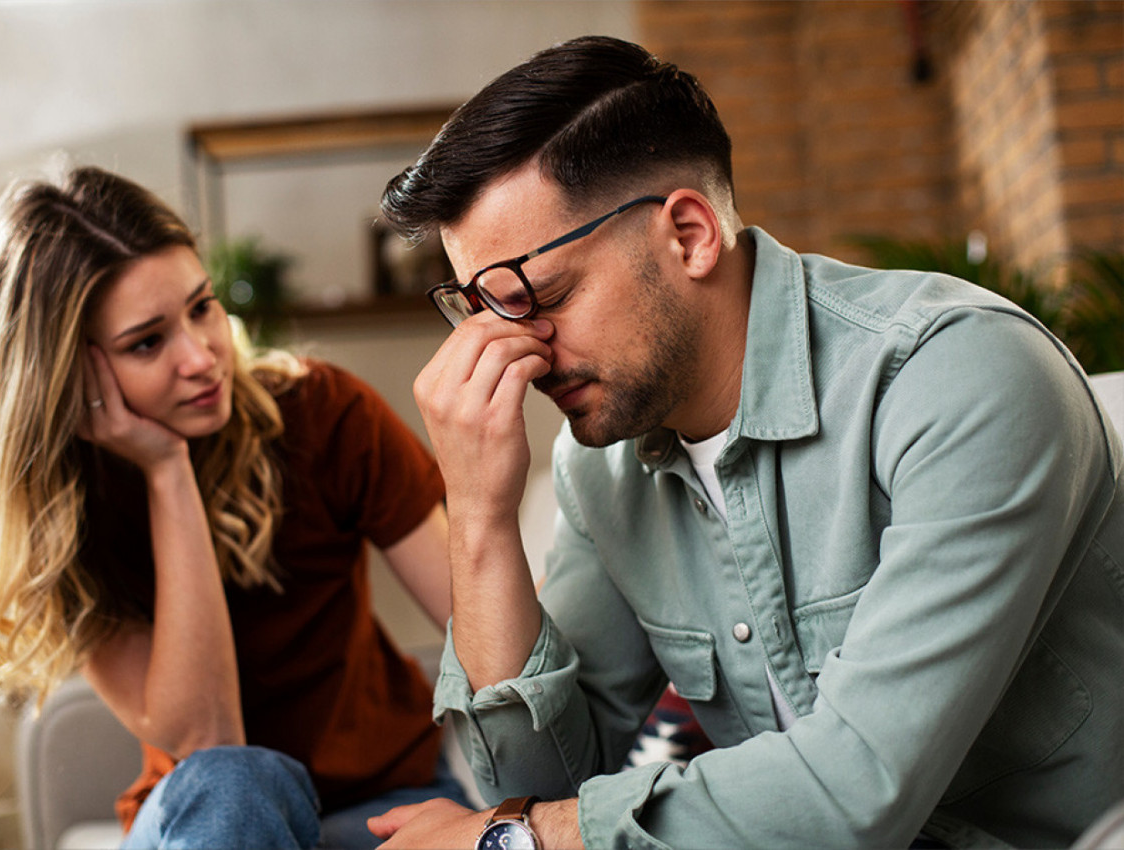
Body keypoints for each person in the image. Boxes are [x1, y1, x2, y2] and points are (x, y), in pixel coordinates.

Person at [367, 35, 1124, 849]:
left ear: (688, 234)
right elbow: (534, 788)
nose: (523, 352)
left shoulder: (958, 376)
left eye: (543, 296)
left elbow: (854, 792)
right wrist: (479, 517)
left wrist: (518, 840)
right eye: (484, 313)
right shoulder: (603, 467)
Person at [0, 165, 469, 849]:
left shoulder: (322, 414)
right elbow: (207, 741)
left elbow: (475, 622)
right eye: (147, 343)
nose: (202, 357)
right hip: (207, 816)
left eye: (201, 306)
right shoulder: (67, 514)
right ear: (70, 373)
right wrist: (167, 472)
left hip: (378, 801)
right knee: (234, 782)